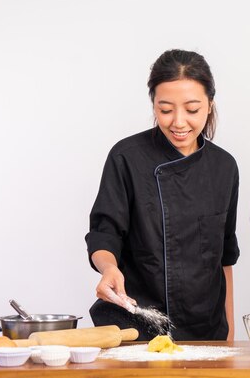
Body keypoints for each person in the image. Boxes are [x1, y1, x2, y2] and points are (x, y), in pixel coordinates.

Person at [85, 49, 240, 341]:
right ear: (153, 105)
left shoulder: (224, 167)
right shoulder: (126, 157)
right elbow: (105, 234)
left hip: (205, 332)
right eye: (165, 110)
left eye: (192, 109)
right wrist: (108, 269)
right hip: (136, 329)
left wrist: (229, 337)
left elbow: (224, 257)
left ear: (210, 104)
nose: (178, 122)